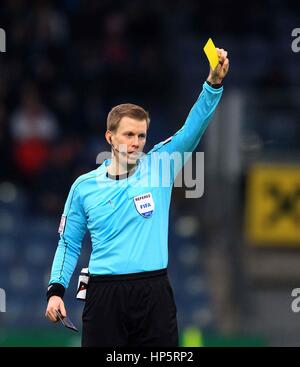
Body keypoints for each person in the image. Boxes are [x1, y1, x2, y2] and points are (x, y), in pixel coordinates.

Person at [45, 47, 229, 347]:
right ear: (110, 137)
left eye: (141, 136)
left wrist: (213, 84)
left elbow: (191, 129)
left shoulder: (159, 166)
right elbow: (68, 242)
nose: (135, 143)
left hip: (153, 293)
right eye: (128, 135)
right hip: (105, 295)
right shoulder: (84, 187)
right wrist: (56, 290)